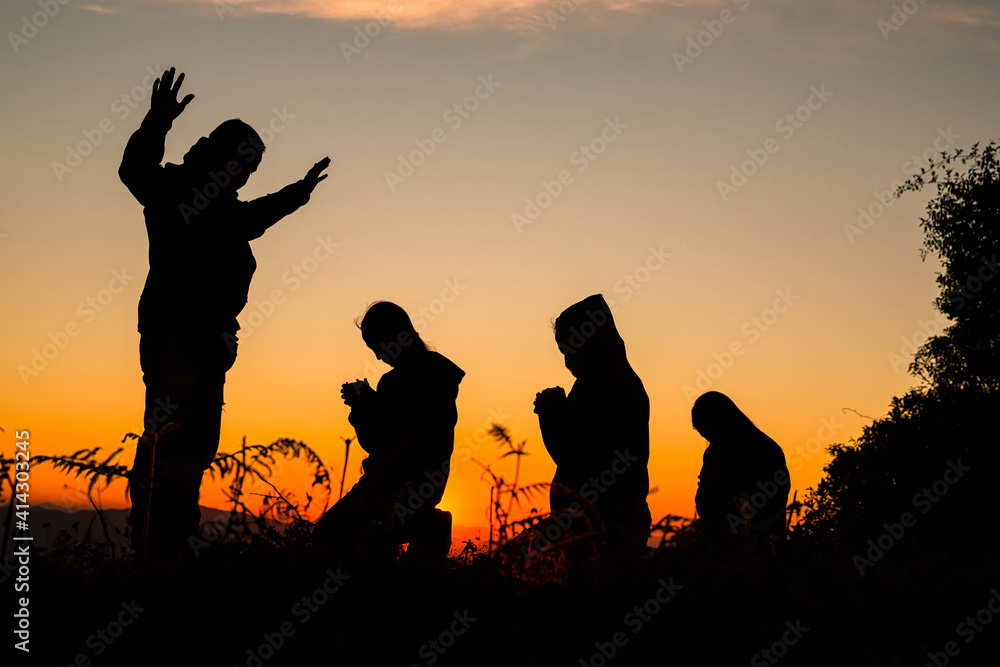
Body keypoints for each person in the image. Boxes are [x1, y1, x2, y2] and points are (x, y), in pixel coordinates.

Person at [119, 67, 330, 562]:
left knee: (197, 444)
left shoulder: (229, 212)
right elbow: (135, 172)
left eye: (251, 167)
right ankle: (149, 544)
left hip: (213, 346)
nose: (245, 172)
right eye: (241, 161)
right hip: (173, 334)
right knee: (168, 437)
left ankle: (174, 540)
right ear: (215, 150)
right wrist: (157, 122)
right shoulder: (173, 190)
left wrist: (298, 193)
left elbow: (257, 216)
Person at [312, 302, 464, 564]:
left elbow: (401, 437)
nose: (379, 357)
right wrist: (363, 407)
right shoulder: (407, 379)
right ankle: (424, 529)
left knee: (335, 535)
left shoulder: (429, 377)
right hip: (390, 481)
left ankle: (428, 527)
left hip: (405, 483)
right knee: (340, 535)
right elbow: (378, 441)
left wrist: (367, 406)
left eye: (378, 347)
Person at [532, 294, 651, 559]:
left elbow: (575, 456)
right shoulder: (596, 384)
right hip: (587, 524)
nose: (567, 361)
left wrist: (552, 415)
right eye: (563, 352)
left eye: (571, 348)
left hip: (604, 526)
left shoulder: (614, 388)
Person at [692, 391, 790, 549]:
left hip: (758, 550)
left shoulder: (767, 452)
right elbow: (703, 505)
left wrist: (727, 488)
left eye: (709, 432)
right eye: (704, 435)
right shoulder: (713, 453)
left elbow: (770, 507)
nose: (709, 440)